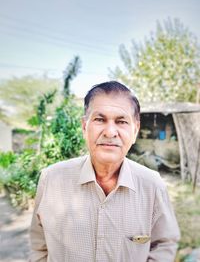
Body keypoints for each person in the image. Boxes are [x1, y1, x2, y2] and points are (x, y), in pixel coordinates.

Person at [29, 81, 180, 262]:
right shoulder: (51, 179)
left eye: (121, 121)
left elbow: (164, 243)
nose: (110, 132)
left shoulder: (152, 185)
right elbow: (38, 246)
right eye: (100, 119)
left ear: (135, 131)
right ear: (85, 127)